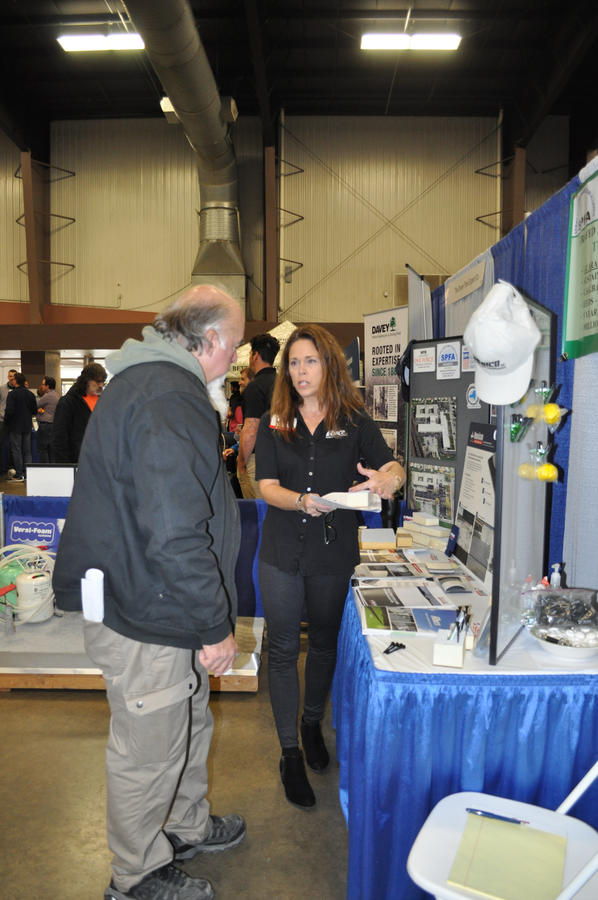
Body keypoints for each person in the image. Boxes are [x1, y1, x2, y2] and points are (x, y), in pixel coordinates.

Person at [52, 285, 246, 900]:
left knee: (186, 719)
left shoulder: (149, 382)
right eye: (235, 346)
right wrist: (215, 625)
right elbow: (173, 531)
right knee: (150, 749)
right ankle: (136, 875)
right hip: (149, 607)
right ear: (210, 340)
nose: (236, 359)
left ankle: (184, 826)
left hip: (158, 599)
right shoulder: (168, 396)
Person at [255, 324, 405, 809]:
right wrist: (301, 501)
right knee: (282, 649)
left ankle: (310, 723)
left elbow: (393, 469)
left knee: (322, 642)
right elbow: (264, 485)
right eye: (294, 363)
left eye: (311, 361)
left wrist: (387, 480)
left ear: (329, 365)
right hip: (281, 551)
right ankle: (289, 753)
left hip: (333, 552)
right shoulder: (275, 420)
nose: (301, 371)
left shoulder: (355, 420)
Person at [237, 333, 280, 499]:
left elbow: (251, 429)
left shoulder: (255, 387)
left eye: (250, 353)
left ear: (255, 355)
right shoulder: (284, 384)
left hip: (259, 460)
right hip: (284, 458)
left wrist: (241, 462)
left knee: (258, 510)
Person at [52, 362, 107, 463]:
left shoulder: (103, 401)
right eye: (98, 381)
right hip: (77, 462)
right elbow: (59, 438)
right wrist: (65, 466)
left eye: (103, 381)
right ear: (86, 380)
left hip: (100, 461)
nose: (101, 385)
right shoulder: (68, 402)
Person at [4, 372, 37, 482]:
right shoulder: (30, 394)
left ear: (16, 381)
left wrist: (6, 423)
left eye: (13, 379)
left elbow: (9, 411)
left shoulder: (12, 394)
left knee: (16, 450)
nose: (12, 381)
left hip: (15, 426)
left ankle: (19, 475)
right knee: (27, 451)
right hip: (27, 426)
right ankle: (28, 474)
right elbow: (34, 411)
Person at [36, 375, 60, 463]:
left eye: (43, 384)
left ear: (47, 386)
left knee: (42, 449)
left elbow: (35, 405)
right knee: (51, 450)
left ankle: (44, 468)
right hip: (53, 425)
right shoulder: (57, 395)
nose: (42, 386)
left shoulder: (47, 396)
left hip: (45, 426)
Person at [0, 369, 17, 475]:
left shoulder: (18, 389)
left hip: (14, 422)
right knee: (1, 444)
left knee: (13, 446)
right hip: (2, 421)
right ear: (8, 377)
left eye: (14, 376)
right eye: (10, 376)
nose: (12, 378)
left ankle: (11, 468)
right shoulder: (1, 389)